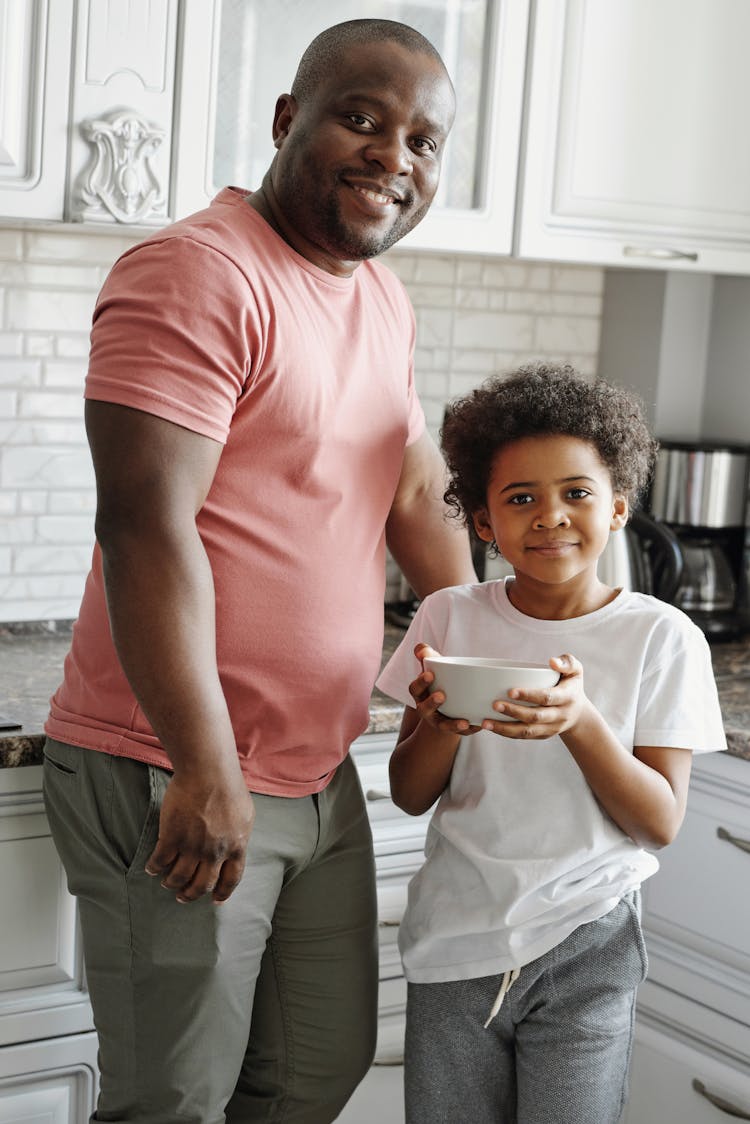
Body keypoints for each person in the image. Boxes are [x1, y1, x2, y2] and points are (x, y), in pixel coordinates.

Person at [42, 19, 476, 1124]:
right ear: (290, 121)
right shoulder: (198, 271)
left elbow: (416, 491)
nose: (394, 158)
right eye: (363, 120)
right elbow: (146, 527)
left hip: (313, 766)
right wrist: (201, 763)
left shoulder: (379, 297)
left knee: (314, 1068)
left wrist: (485, 655)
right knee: (172, 1099)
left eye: (423, 141)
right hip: (174, 760)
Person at [376, 363, 727, 1124]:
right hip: (456, 939)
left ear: (619, 508)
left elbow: (658, 822)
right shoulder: (447, 618)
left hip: (588, 938)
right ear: (481, 523)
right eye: (520, 498)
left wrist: (580, 722)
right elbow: (409, 794)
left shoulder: (661, 639)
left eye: (576, 493)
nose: (550, 516)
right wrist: (440, 722)